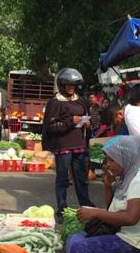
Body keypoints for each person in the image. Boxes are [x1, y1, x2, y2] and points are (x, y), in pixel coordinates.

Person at [42, 68, 94, 219]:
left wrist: (86, 124)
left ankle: (86, 205)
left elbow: (88, 118)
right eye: (68, 85)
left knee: (81, 178)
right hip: (63, 146)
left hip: (79, 145)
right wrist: (71, 121)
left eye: (74, 85)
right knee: (63, 178)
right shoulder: (55, 102)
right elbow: (50, 127)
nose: (71, 88)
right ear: (62, 85)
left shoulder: (81, 100)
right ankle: (62, 208)